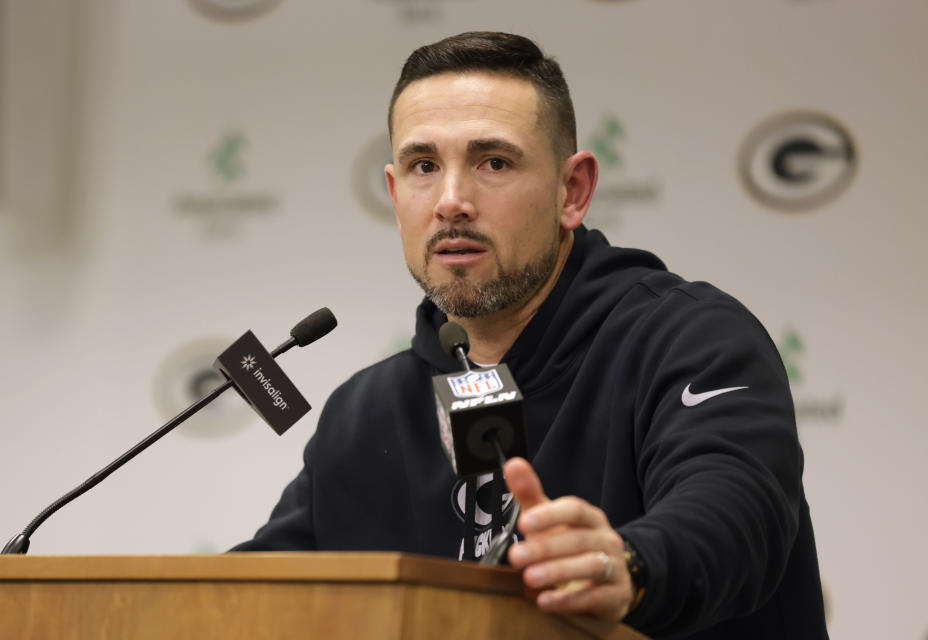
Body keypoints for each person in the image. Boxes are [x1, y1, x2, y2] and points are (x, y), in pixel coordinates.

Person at [234, 32, 828, 639]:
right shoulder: (366, 412)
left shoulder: (691, 338)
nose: (451, 201)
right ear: (393, 194)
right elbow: (257, 592)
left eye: (494, 162)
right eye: (423, 166)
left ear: (573, 191)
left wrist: (627, 565)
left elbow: (735, 508)